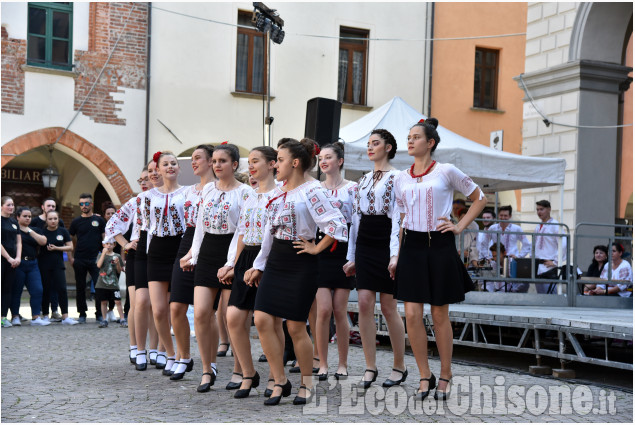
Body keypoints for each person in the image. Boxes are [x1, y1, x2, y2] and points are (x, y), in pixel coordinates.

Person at [245, 138, 348, 406]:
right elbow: (269, 232)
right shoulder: (279, 191)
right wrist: (258, 265)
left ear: (295, 162)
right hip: (276, 260)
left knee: (295, 326)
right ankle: (280, 380)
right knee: (262, 319)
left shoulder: (313, 190)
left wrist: (317, 248)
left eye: (279, 160)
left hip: (301, 261)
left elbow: (337, 225)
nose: (275, 164)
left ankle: (306, 381)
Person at [393, 118, 487, 401]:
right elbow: (400, 218)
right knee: (411, 314)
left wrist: (459, 226)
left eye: (416, 137)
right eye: (408, 137)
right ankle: (425, 374)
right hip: (411, 245)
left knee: (438, 314)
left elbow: (479, 197)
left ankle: (445, 374)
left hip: (439, 245)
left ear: (430, 143)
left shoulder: (446, 171)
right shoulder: (401, 177)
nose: (410, 141)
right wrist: (396, 254)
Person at [182, 143, 251, 392]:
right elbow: (200, 226)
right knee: (201, 313)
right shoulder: (208, 190)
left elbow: (243, 230)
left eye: (223, 161)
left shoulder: (245, 193)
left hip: (233, 250)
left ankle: (239, 368)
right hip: (209, 249)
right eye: (215, 161)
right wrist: (193, 254)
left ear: (234, 165)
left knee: (231, 317)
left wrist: (231, 263)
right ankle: (207, 368)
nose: (217, 165)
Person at [342, 129, 407, 390]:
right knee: (365, 303)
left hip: (386, 240)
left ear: (388, 147)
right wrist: (351, 256)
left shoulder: (398, 177)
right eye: (368, 144)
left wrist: (395, 254)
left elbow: (398, 218)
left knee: (389, 306)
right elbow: (355, 220)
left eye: (375, 143)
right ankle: (370, 366)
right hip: (365, 244)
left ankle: (399, 365)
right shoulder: (363, 180)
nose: (370, 148)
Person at [217, 146, 279, 398]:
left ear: (273, 164)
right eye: (249, 162)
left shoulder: (280, 194)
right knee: (233, 317)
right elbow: (241, 232)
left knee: (270, 322)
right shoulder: (249, 196)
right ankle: (248, 373)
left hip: (270, 258)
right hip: (246, 256)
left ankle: (276, 377)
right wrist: (232, 263)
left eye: (256, 161)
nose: (250, 166)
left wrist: (261, 264)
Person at [169, 144, 216, 381]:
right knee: (176, 305)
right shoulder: (187, 191)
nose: (194, 162)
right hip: (187, 239)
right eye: (193, 158)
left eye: (198, 158)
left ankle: (212, 362)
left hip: (212, 241)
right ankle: (184, 356)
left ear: (211, 161)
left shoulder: (220, 189)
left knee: (207, 312)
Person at [314, 142, 357, 381]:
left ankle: (343, 363)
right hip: (321, 250)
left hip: (343, 250)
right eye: (321, 158)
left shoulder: (352, 188)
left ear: (339, 161)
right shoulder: (314, 188)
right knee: (323, 310)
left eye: (328, 157)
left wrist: (354, 256)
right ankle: (322, 363)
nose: (323, 161)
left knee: (340, 310)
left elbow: (357, 224)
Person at [146, 151, 188, 376]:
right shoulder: (148, 195)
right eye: (165, 164)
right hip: (156, 251)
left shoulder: (188, 192)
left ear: (178, 168)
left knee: (176, 309)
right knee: (159, 310)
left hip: (179, 248)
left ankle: (182, 354)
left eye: (173, 163)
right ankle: (170, 353)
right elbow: (138, 223)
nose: (170, 167)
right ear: (158, 170)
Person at [105, 166, 152, 363]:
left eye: (147, 178)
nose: (142, 182)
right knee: (137, 303)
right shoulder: (135, 202)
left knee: (157, 306)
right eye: (140, 179)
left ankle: (158, 349)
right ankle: (135, 346)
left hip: (162, 252)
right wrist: (125, 244)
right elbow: (112, 225)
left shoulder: (170, 197)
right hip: (137, 253)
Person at [131, 159, 164, 370]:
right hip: (143, 248)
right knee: (142, 301)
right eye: (148, 173)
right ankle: (139, 349)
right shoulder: (141, 198)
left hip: (166, 249)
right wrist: (127, 242)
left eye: (154, 171)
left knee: (162, 306)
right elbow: (116, 221)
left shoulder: (178, 195)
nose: (151, 176)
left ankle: (158, 349)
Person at [69, 193, 106, 323]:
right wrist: (71, 257)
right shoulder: (76, 222)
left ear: (91, 204)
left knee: (98, 286)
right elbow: (70, 239)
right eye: (81, 204)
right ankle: (82, 314)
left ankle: (99, 314)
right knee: (80, 287)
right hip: (79, 259)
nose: (84, 206)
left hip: (95, 259)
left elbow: (105, 239)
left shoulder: (99, 220)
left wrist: (104, 255)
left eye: (86, 203)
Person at [10, 207, 50, 326]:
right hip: (18, 264)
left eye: (29, 216)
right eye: (25, 216)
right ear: (18, 217)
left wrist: (28, 230)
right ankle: (15, 316)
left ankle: (36, 317)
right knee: (16, 291)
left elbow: (43, 242)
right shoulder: (13, 230)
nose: (28, 218)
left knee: (38, 289)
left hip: (33, 264)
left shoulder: (35, 229)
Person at [38, 211, 78, 325]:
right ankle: (45, 315)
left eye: (55, 218)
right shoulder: (42, 232)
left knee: (61, 289)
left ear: (58, 219)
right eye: (50, 219)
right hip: (44, 264)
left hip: (58, 265)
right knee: (45, 289)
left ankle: (65, 316)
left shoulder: (63, 231)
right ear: (46, 220)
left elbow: (70, 247)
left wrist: (56, 248)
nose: (53, 221)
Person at [534, 200, 567, 294]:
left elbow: (563, 243)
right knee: (541, 293)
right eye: (537, 210)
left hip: (548, 264)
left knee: (550, 292)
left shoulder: (555, 225)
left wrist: (556, 261)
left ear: (549, 209)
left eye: (541, 209)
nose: (539, 212)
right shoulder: (538, 226)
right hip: (538, 264)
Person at [1, 196, 21, 328]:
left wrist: (18, 257)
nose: (11, 207)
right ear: (1, 206)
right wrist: (8, 258)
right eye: (8, 205)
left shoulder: (14, 222)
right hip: (3, 259)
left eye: (13, 205)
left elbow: (19, 241)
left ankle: (3, 317)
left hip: (13, 261)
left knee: (8, 289)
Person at [95, 241, 124, 327]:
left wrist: (118, 263)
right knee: (103, 301)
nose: (109, 246)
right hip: (102, 283)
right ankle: (104, 319)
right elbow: (98, 265)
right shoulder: (101, 255)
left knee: (118, 301)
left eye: (111, 244)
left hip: (114, 283)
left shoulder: (117, 256)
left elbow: (119, 271)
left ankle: (122, 319)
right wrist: (103, 253)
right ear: (103, 245)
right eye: (107, 244)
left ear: (114, 245)